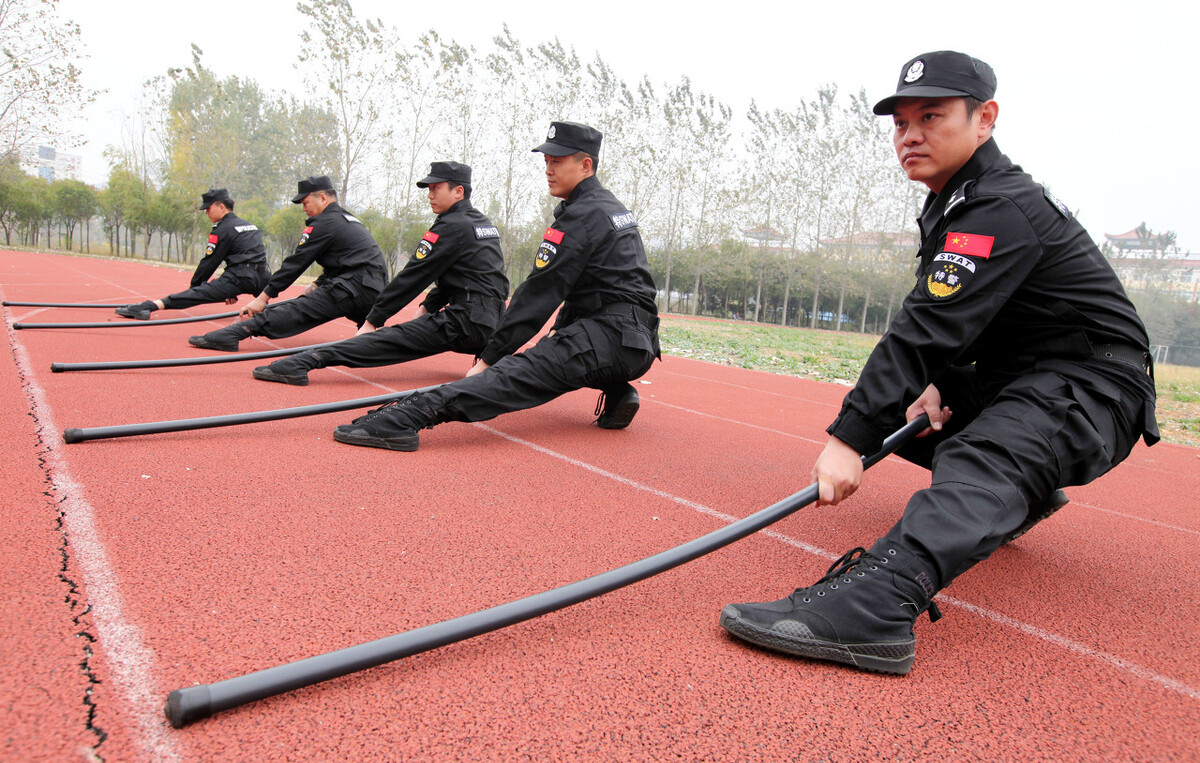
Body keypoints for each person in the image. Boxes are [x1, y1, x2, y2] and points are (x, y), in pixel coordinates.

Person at [720, 51, 1158, 675]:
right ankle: (1024, 494)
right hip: (1025, 374)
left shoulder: (998, 207)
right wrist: (930, 383)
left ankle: (875, 609)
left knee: (979, 454)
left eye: (931, 117)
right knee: (911, 406)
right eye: (901, 123)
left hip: (1092, 387)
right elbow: (957, 321)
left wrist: (849, 440)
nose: (910, 135)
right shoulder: (954, 202)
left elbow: (925, 327)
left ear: (985, 119)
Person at [331, 121, 660, 451]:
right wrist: (559, 329)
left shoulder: (581, 216)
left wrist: (489, 359)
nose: (548, 170)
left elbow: (539, 292)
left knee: (513, 373)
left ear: (586, 165)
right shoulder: (610, 207)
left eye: (557, 162)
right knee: (555, 350)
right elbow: (594, 285)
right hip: (638, 343)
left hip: (607, 337)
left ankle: (406, 418)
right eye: (546, 161)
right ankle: (618, 390)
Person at [250, 162, 508, 386]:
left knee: (389, 340)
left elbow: (413, 276)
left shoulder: (452, 225)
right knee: (412, 332)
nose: (429, 195)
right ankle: (488, 360)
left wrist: (373, 320)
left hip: (465, 322)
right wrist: (427, 307)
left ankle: (304, 362)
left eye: (435, 189)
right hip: (493, 324)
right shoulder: (482, 224)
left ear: (458, 191)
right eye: (428, 189)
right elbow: (468, 276)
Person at [188, 176, 386, 352]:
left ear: (323, 198)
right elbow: (350, 261)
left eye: (306, 203)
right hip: (373, 289)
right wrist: (317, 283)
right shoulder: (347, 219)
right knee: (368, 342)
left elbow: (295, 264)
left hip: (354, 287)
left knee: (299, 309)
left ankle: (237, 332)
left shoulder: (325, 222)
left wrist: (263, 297)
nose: (304, 209)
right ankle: (373, 343)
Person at [114, 189, 269, 320]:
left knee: (199, 293)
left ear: (221, 207)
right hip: (263, 276)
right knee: (268, 308)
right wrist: (229, 290)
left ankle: (148, 306)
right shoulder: (250, 226)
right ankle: (266, 313)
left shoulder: (222, 229)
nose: (206, 213)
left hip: (240, 277)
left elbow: (210, 262)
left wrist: (194, 289)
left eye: (208, 209)